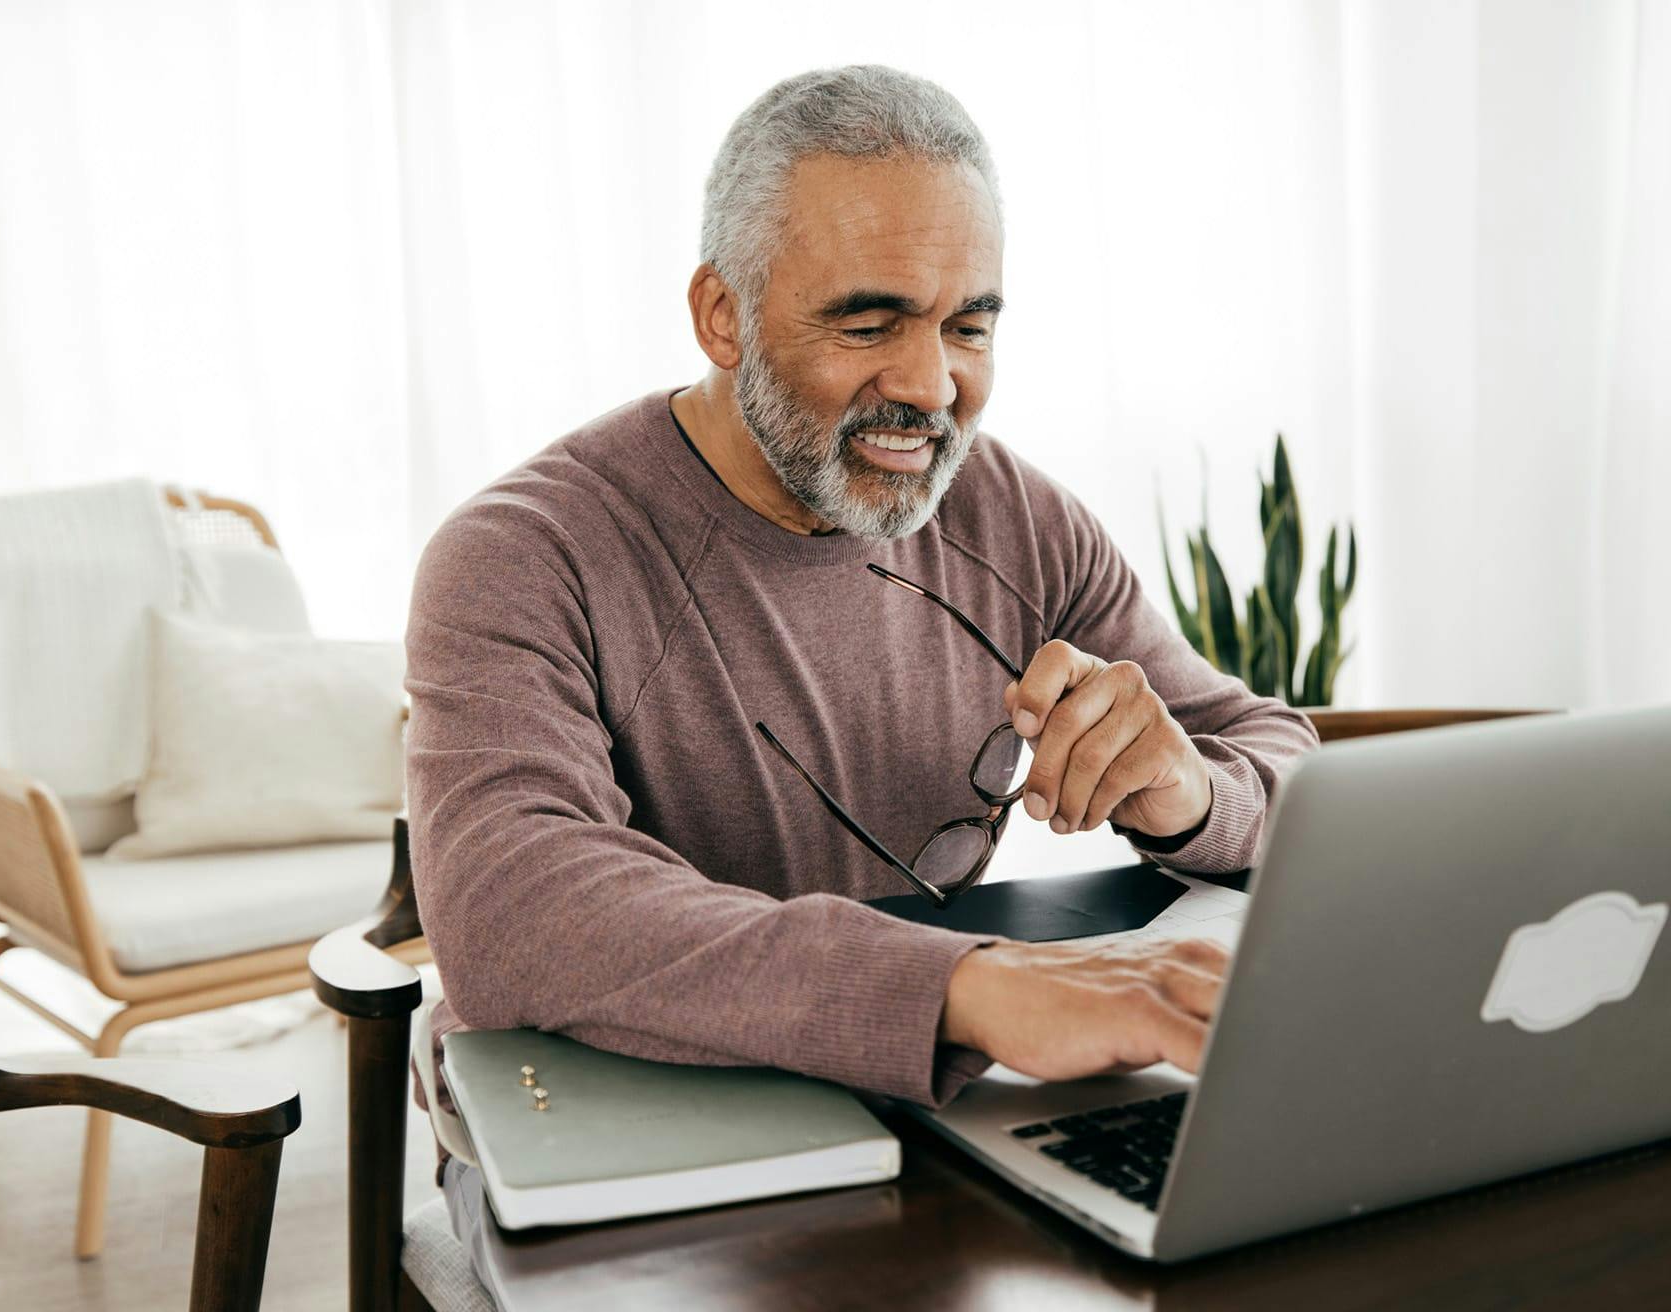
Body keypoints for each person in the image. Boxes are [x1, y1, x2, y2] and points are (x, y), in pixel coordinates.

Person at [406, 64, 1319, 1279]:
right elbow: (515, 911)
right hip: (611, 1124)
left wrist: (1192, 792)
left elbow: (1277, 755)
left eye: (970, 324)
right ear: (723, 314)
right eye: (869, 322)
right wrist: (969, 987)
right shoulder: (521, 552)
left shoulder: (1019, 516)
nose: (933, 387)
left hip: (919, 1109)